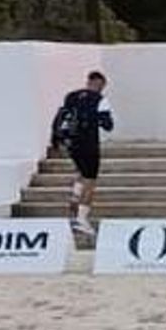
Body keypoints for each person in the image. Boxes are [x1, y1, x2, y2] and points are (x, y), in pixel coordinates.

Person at [49, 71, 114, 236]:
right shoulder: (100, 99)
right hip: (89, 144)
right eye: (102, 86)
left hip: (71, 144)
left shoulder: (71, 96)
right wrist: (99, 120)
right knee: (91, 181)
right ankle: (82, 219)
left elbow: (61, 116)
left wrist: (55, 139)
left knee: (82, 170)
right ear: (100, 84)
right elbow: (107, 125)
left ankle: (75, 197)